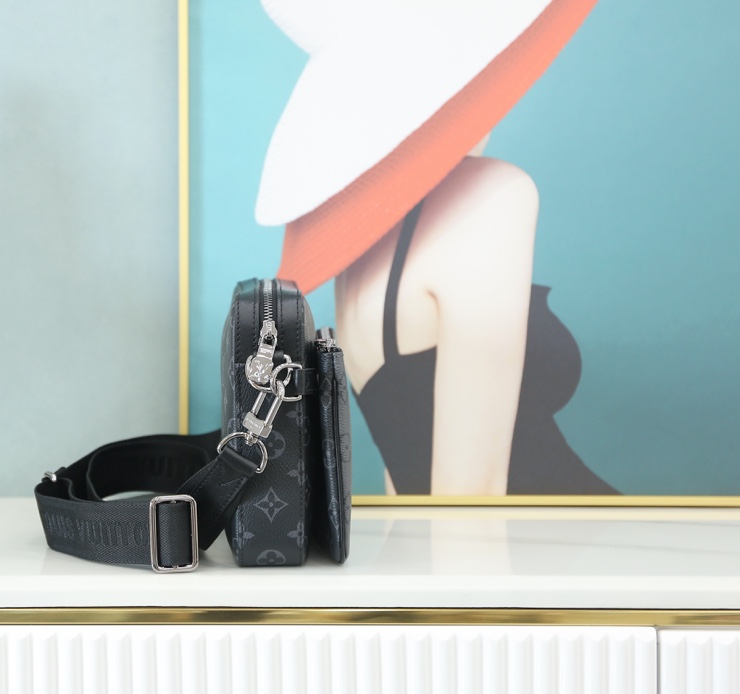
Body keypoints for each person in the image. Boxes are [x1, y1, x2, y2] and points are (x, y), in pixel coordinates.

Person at [256, 0, 612, 495]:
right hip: (558, 542)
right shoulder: (491, 199)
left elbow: (404, 477)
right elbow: (469, 501)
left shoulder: (359, 256)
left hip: (483, 542)